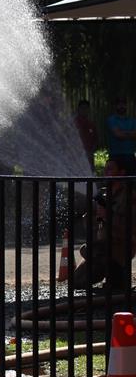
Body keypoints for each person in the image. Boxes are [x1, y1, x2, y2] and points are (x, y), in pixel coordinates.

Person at [72, 155, 136, 291]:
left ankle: (117, 278)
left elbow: (130, 228)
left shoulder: (130, 197)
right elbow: (88, 225)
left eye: (110, 169)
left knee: (115, 286)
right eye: (105, 169)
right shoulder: (104, 195)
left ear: (122, 173)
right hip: (100, 247)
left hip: (119, 247)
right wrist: (93, 213)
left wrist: (108, 216)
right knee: (76, 281)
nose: (106, 172)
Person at [74, 99, 98, 170]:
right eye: (82, 108)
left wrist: (91, 152)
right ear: (78, 109)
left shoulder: (91, 124)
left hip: (89, 155)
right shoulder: (73, 124)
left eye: (86, 108)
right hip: (76, 156)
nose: (84, 110)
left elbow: (95, 140)